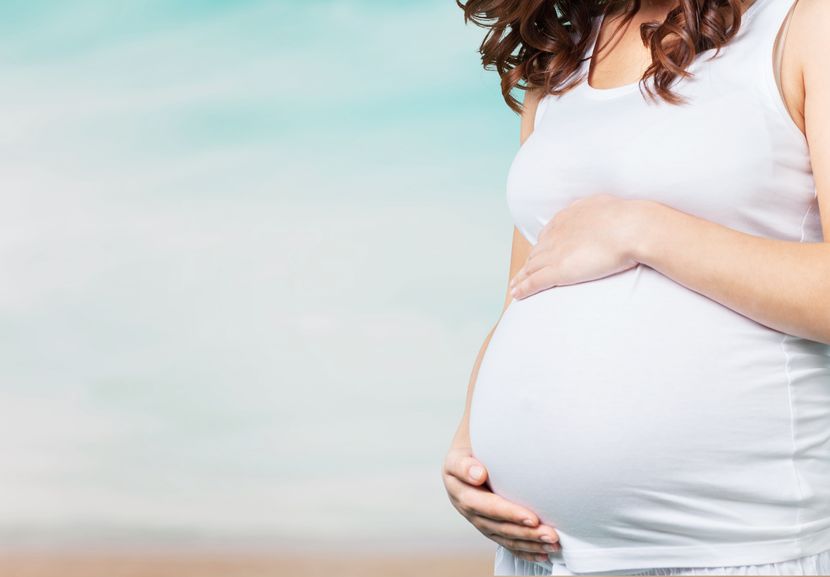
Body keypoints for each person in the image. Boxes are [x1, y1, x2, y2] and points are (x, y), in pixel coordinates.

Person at [442, 0, 830, 574]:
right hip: (544, 557)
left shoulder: (805, 24)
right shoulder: (560, 61)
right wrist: (468, 448)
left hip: (738, 550)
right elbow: (526, 289)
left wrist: (644, 229)